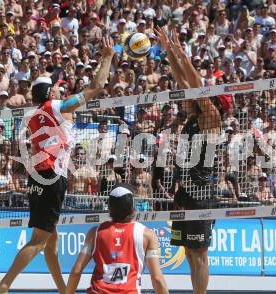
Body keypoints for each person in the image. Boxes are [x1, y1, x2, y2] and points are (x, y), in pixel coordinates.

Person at [0, 37, 114, 294]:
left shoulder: (34, 115)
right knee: (38, 241)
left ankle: (63, 290)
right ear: (49, 93)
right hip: (52, 177)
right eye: (56, 88)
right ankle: (4, 284)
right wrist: (108, 56)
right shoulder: (58, 107)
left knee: (51, 241)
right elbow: (99, 85)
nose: (60, 90)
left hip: (36, 178)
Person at [155, 27, 221, 294]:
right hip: (185, 192)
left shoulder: (210, 118)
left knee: (200, 252)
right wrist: (169, 51)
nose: (185, 99)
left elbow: (195, 85)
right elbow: (183, 83)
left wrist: (182, 52)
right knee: (190, 253)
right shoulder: (193, 117)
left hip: (202, 194)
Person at [66, 183, 169, 294]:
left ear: (109, 208)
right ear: (133, 207)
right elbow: (157, 279)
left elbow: (76, 271)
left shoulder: (94, 233)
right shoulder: (147, 235)